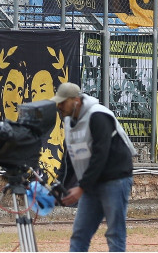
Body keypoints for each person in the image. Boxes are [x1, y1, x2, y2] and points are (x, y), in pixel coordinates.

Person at [54, 81, 135, 253]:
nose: (59, 106)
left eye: (63, 102)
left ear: (76, 100)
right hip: (91, 183)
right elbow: (68, 158)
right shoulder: (69, 122)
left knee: (115, 233)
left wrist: (81, 187)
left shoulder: (98, 115)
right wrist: (58, 186)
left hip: (115, 179)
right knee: (80, 234)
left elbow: (101, 154)